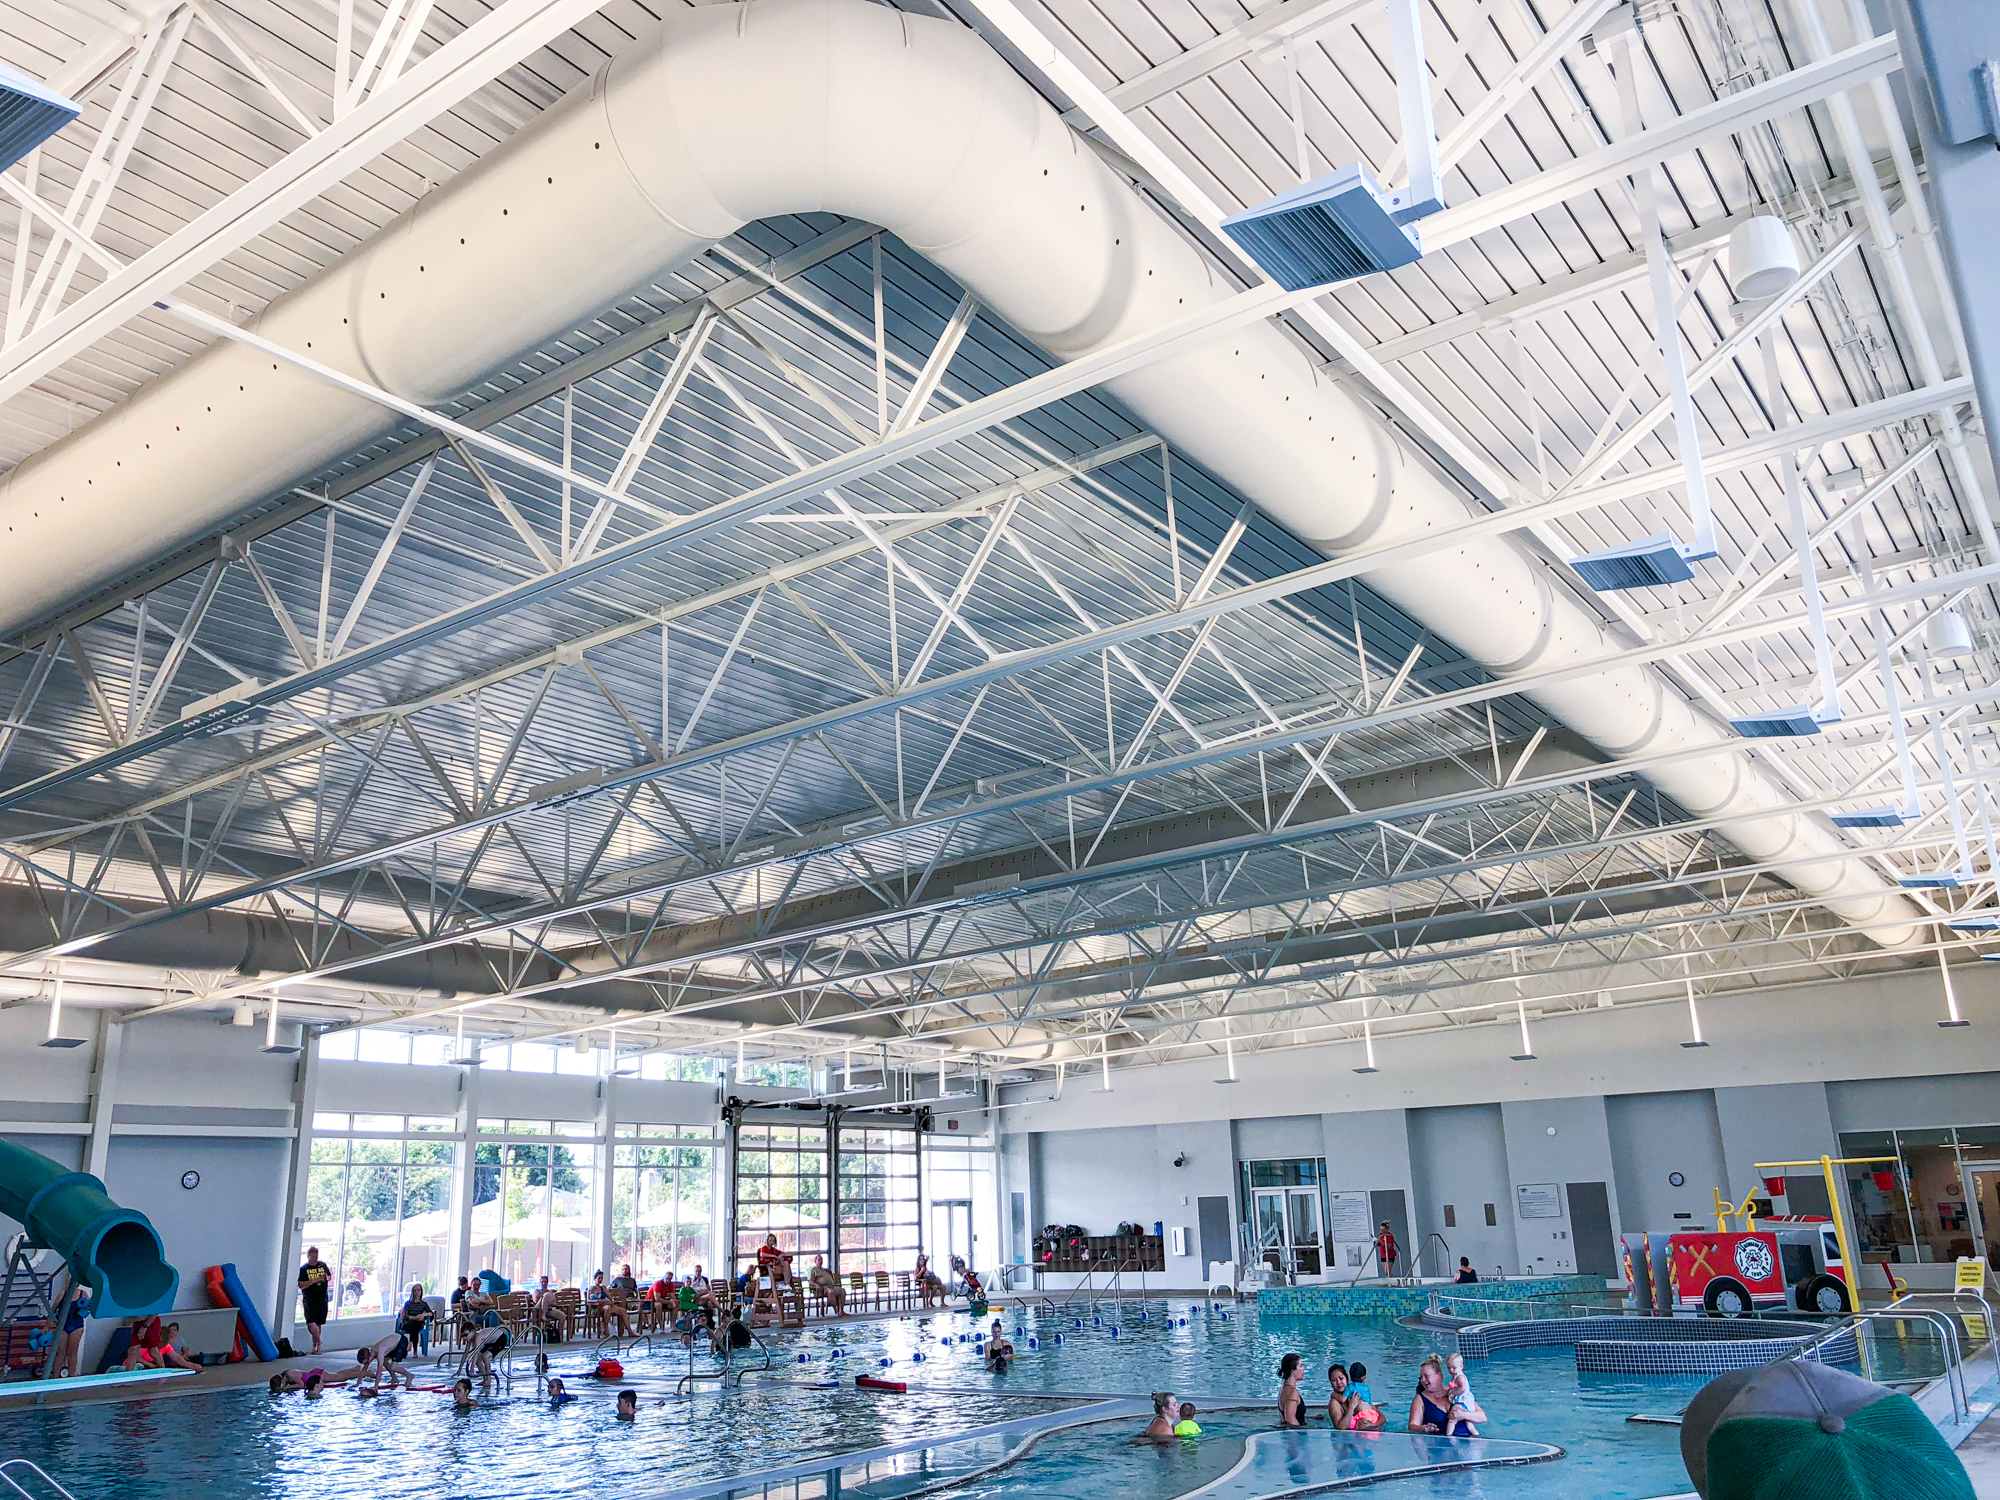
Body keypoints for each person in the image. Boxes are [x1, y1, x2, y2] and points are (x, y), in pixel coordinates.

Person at [1409, 1354, 1473, 1437]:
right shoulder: (1420, 1399)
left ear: (1439, 1376)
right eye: (1421, 1377)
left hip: (1466, 1442)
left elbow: (1482, 1417)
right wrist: (1424, 1428)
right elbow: (1412, 1426)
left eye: (1426, 1376)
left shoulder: (1456, 1391)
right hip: (1440, 1446)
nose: (1423, 1380)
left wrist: (1463, 1415)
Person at [297, 1246, 331, 1355]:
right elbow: (301, 1284)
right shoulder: (304, 1269)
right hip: (310, 1299)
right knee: (311, 1323)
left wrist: (325, 1278)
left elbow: (329, 1276)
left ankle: (316, 1347)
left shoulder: (322, 1265)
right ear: (308, 1256)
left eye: (317, 1256)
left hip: (322, 1298)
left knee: (318, 1323)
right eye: (313, 1256)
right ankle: (319, 1341)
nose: (315, 1258)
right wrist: (313, 1280)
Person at [1444, 1352, 1486, 1435]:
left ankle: (1448, 1436)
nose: (1451, 1370)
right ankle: (1476, 1436)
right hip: (1468, 1404)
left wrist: (1453, 1393)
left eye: (1454, 1368)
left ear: (1461, 1367)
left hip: (1462, 1402)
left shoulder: (1460, 1377)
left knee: (1452, 1419)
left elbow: (1462, 1388)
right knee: (1469, 1424)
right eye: (1449, 1368)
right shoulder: (1455, 1375)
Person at [54, 1283, 89, 1379]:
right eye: (67, 1282)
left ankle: (71, 1376)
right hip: (63, 1325)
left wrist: (87, 1305)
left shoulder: (83, 1294)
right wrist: (47, 1326)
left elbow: (90, 1308)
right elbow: (52, 1310)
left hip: (76, 1325)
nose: (68, 1284)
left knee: (72, 1352)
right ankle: (55, 1377)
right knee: (60, 1352)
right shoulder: (62, 1294)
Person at [398, 1283, 433, 1354]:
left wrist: (423, 1315)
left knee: (416, 1326)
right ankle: (415, 1351)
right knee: (414, 1326)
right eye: (415, 1290)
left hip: (418, 1322)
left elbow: (431, 1313)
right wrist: (414, 1317)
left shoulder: (423, 1304)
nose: (417, 1292)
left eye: (418, 1290)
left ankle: (411, 1343)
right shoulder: (408, 1303)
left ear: (421, 1291)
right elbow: (405, 1316)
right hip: (408, 1323)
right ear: (412, 1292)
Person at [1278, 1352, 1306, 1427]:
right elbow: (1290, 1419)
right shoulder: (1292, 1393)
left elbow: (1285, 1417)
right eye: (1301, 1366)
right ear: (1292, 1370)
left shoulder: (1283, 1390)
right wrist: (1305, 1430)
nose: (1304, 1369)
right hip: (1295, 1436)